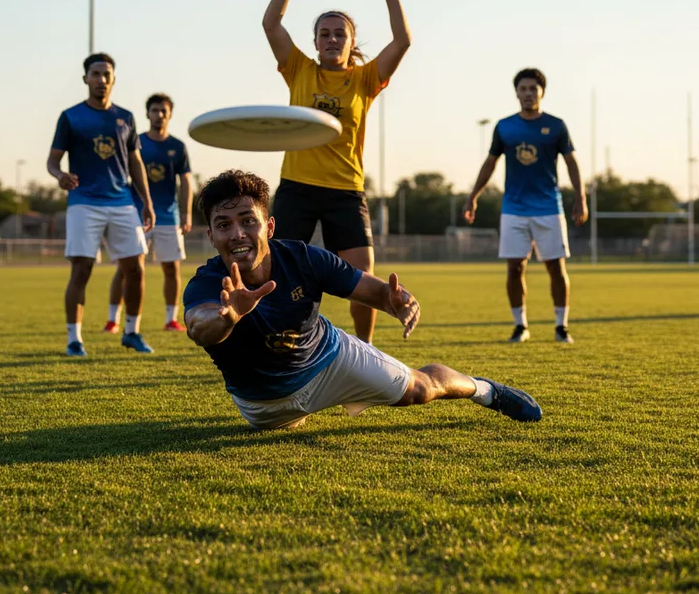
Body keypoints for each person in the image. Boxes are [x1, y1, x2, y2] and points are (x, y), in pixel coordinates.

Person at [183, 170, 542, 430]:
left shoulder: (305, 259)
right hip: (264, 408)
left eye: (248, 220)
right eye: (225, 224)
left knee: (420, 389)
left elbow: (373, 291)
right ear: (211, 235)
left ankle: (485, 390)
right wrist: (229, 317)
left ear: (270, 227)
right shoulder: (207, 283)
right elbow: (201, 327)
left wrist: (395, 302)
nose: (239, 233)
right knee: (285, 427)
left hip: (329, 358)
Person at [261, 0, 411, 345]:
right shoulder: (299, 69)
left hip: (346, 191)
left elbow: (402, 42)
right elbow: (271, 24)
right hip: (298, 187)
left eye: (339, 34)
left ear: (350, 41)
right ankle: (276, 342)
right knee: (279, 271)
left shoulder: (364, 79)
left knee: (364, 280)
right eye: (324, 34)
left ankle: (365, 350)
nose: (331, 40)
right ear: (315, 42)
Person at [463, 68, 588, 344]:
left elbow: (571, 162)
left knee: (556, 267)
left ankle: (561, 326)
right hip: (514, 209)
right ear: (516, 92)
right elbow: (490, 163)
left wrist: (581, 197)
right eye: (523, 89)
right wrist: (473, 195)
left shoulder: (556, 126)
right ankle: (520, 326)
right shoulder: (504, 126)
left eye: (533, 88)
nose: (528, 93)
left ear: (542, 92)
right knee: (515, 267)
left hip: (549, 208)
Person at [46, 53, 156, 357]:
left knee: (135, 269)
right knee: (82, 269)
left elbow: (135, 163)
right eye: (95, 74)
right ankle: (74, 340)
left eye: (107, 74)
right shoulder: (70, 117)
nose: (101, 80)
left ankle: (132, 332)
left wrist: (146, 202)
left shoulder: (126, 117)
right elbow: (52, 160)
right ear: (85, 79)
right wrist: (60, 175)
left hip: (122, 202)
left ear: (113, 79)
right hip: (84, 202)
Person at [106, 93, 194, 334]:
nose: (159, 115)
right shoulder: (136, 143)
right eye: (155, 110)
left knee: (172, 269)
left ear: (170, 115)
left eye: (164, 111)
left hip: (168, 216)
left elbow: (186, 181)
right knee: (127, 268)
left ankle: (171, 320)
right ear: (147, 114)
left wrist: (186, 214)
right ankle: (112, 320)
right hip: (136, 215)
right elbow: (121, 176)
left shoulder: (178, 147)